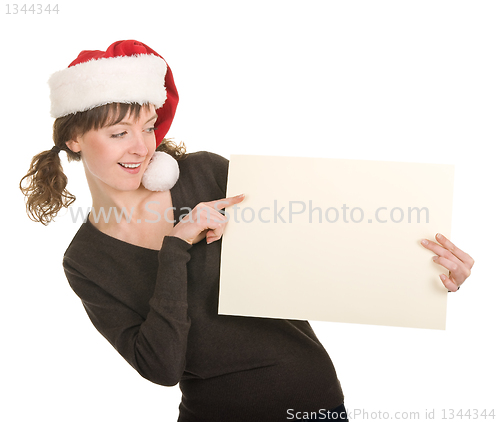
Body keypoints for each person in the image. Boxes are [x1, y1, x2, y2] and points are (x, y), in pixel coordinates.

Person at [19, 40, 474, 421]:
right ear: (74, 139)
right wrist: (177, 245)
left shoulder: (205, 175)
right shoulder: (86, 260)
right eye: (119, 133)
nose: (141, 146)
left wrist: (424, 274)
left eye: (148, 127)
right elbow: (160, 367)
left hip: (309, 403)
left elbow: (328, 246)